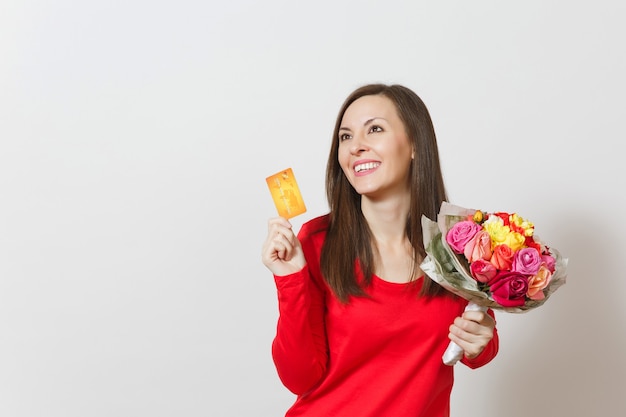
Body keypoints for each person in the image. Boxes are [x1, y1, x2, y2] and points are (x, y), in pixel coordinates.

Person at [261, 83, 498, 417]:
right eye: (345, 137)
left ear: (415, 144)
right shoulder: (315, 241)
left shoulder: (460, 243)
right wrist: (290, 280)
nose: (356, 146)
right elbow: (298, 377)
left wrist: (481, 340)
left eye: (374, 129)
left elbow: (478, 343)